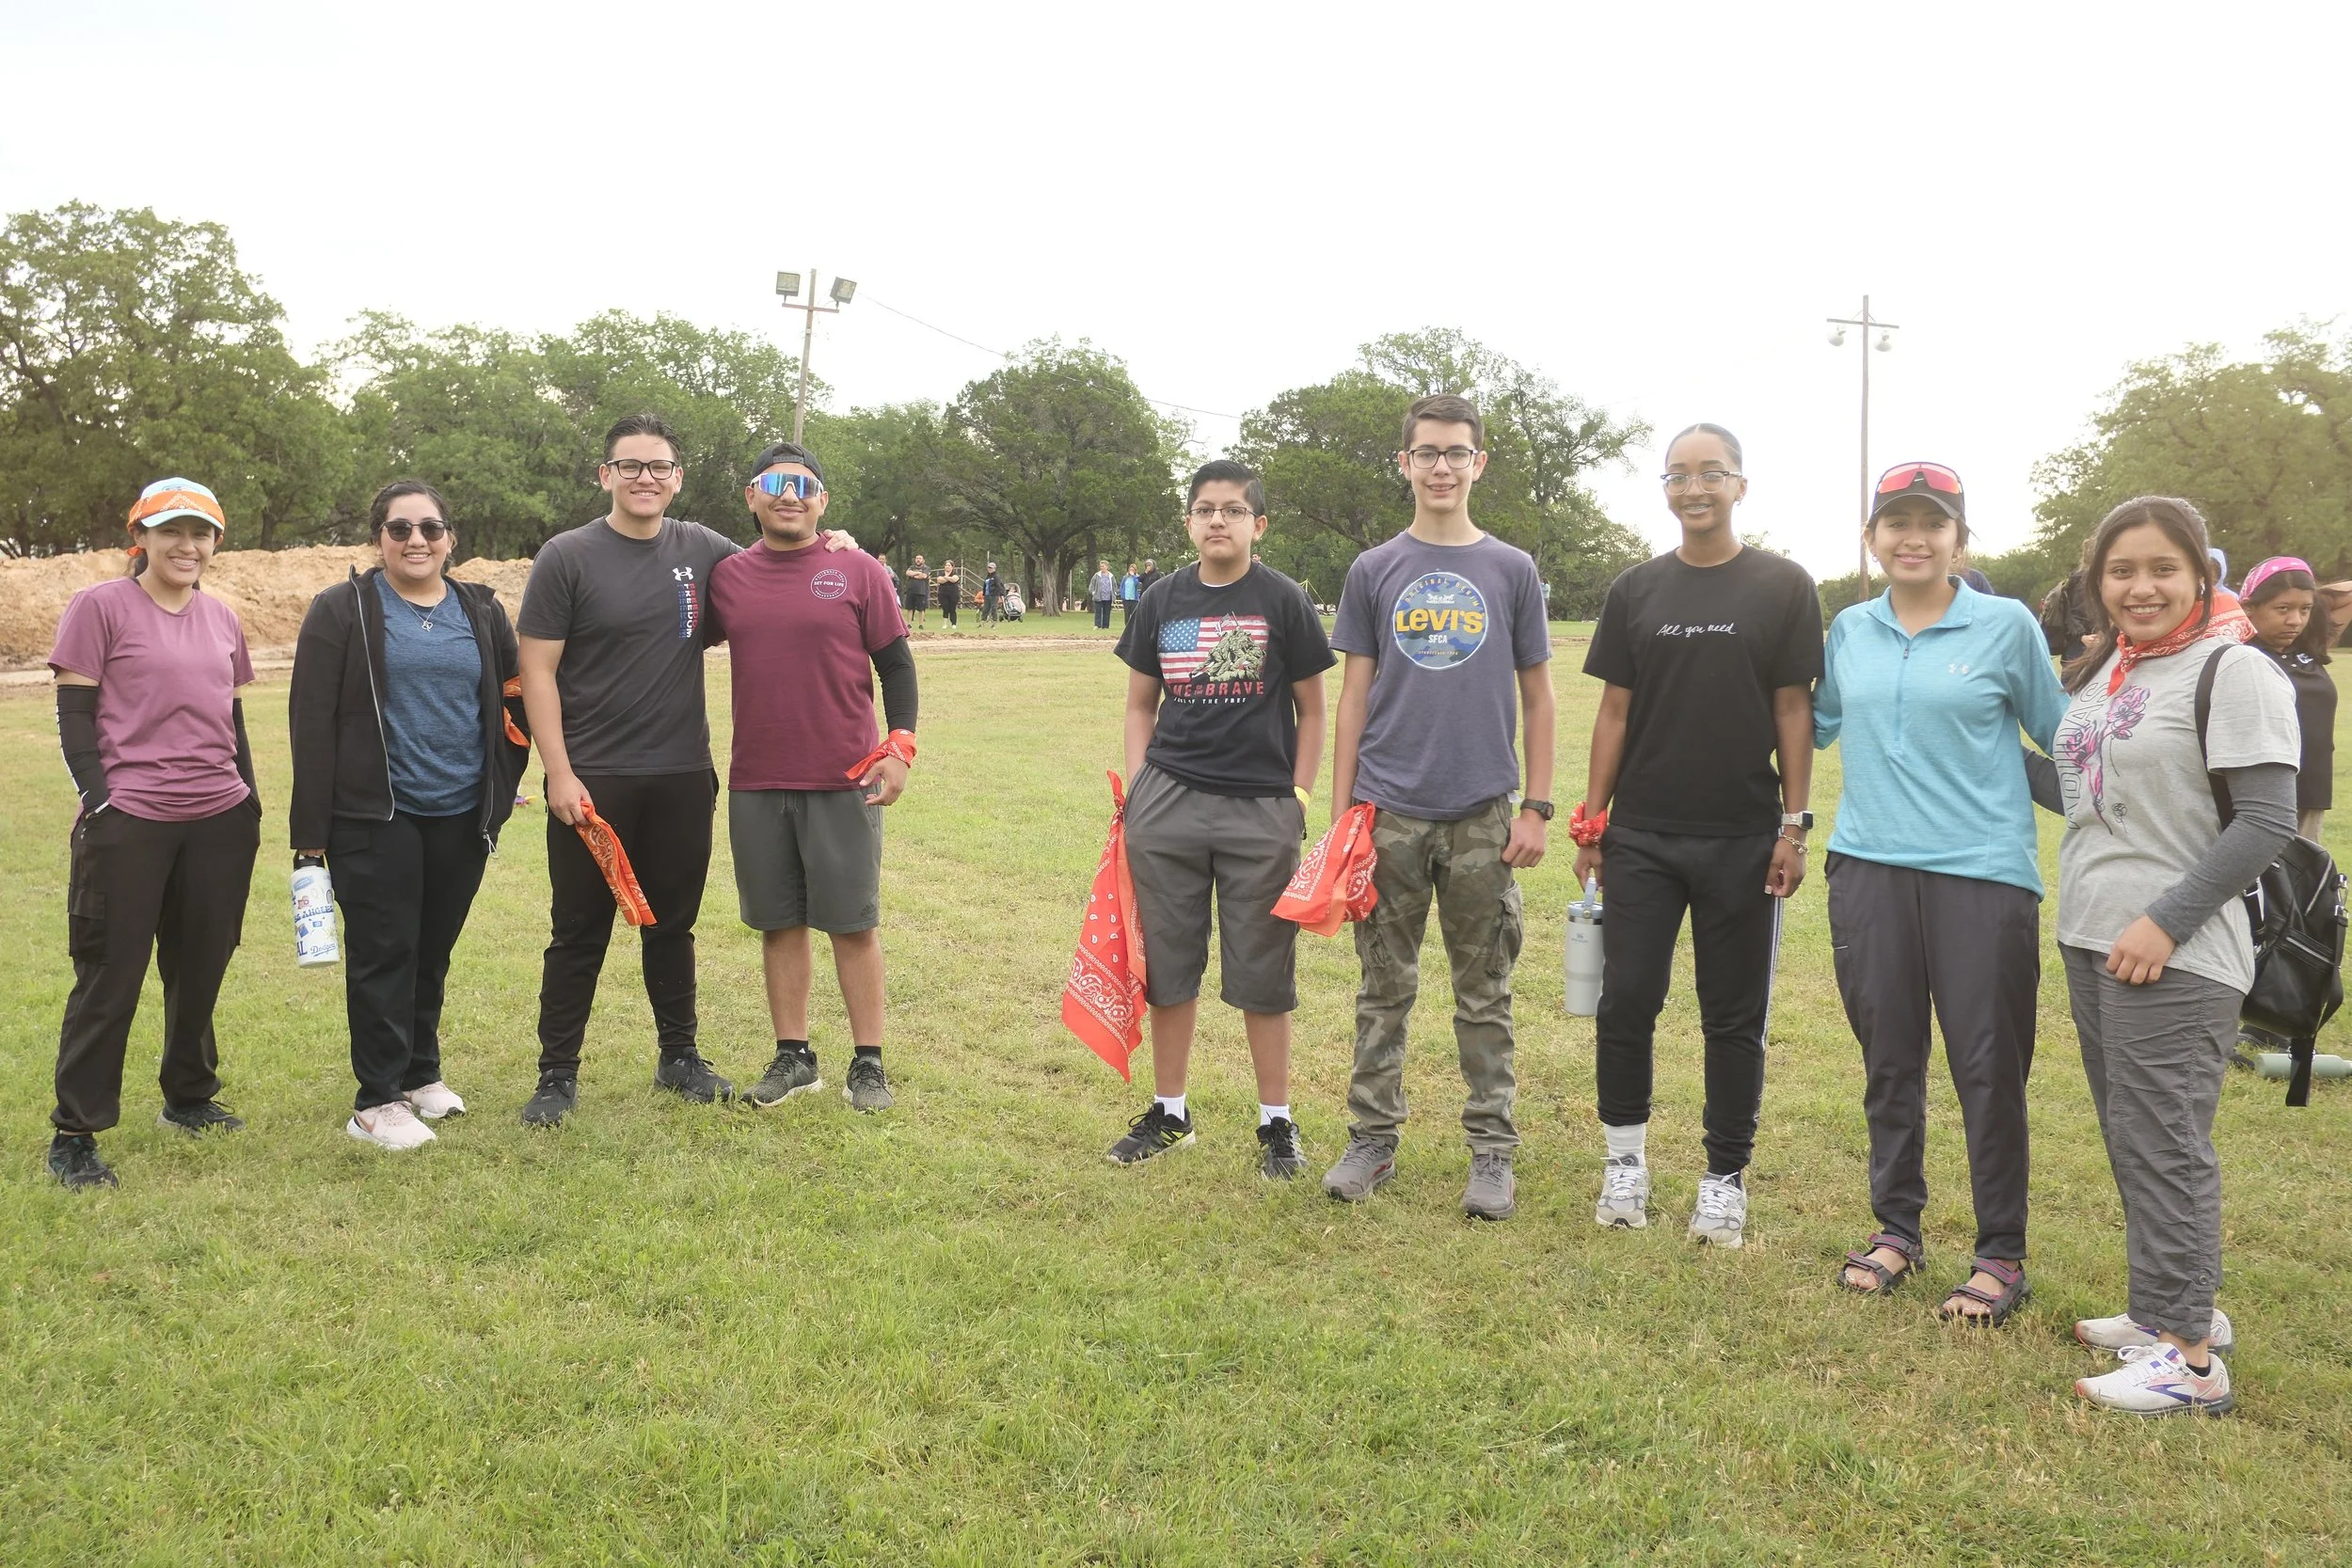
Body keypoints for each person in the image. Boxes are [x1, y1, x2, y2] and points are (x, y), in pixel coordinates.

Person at [2051, 497, 2294, 1417]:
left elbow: (2266, 819)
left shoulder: (2234, 667)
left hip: (2176, 949)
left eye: (2162, 568)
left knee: (2165, 1142)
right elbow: (2089, 793)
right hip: (2093, 932)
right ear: (2098, 581)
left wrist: (2166, 920)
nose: (2141, 586)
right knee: (2133, 1134)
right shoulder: (2112, 666)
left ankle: (2189, 1360)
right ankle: (2164, 1306)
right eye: (2121, 570)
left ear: (2200, 573)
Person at [1814, 463, 2067, 1320]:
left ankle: (2000, 1252)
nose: (1914, 538)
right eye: (1897, 523)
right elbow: (1811, 722)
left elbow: (2063, 735)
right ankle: (1897, 1229)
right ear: (1872, 537)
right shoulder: (1850, 629)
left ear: (1960, 538)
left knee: (1988, 1068)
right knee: (1889, 1060)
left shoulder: (2005, 624)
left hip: (1982, 876)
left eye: (1933, 523)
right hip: (1867, 868)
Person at [1573, 423, 1821, 1247]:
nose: (1694, 487)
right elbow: (1614, 711)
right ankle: (1625, 1164)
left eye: (1712, 473)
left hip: (1743, 837)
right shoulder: (1637, 589)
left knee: (1732, 1016)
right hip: (1644, 835)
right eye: (1678, 475)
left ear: (1740, 485)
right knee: (1627, 1001)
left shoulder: (1784, 586)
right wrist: (1594, 821)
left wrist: (1792, 825)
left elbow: (1793, 708)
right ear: (1666, 490)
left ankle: (1724, 1179)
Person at [1322, 394, 1554, 1221]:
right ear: (1406, 464)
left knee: (1484, 989)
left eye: (1457, 452)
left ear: (1478, 463)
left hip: (1483, 813)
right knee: (1382, 988)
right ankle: (1371, 1139)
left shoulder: (1512, 569)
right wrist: (1346, 817)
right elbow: (1353, 698)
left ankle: (1492, 1151)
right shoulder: (1374, 568)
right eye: (1427, 453)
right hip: (1389, 811)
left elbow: (1540, 695)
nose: (1442, 467)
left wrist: (1537, 806)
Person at [1104, 460, 1333, 1179]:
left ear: (1257, 524)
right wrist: (1140, 789)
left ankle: (1276, 1122)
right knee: (1170, 968)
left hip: (1259, 808)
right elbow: (1140, 705)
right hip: (1168, 804)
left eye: (1233, 510)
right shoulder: (1162, 599)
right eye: (1205, 508)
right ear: (1189, 521)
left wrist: (1298, 796)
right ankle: (1170, 1112)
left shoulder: (1284, 599)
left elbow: (1313, 711)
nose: (1217, 521)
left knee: (1264, 971)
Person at [289, 481, 532, 1150]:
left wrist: (501, 783)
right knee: (384, 951)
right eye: (400, 529)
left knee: (431, 949)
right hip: (375, 814)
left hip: (460, 813)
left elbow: (515, 700)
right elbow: (310, 722)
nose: (416, 540)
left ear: (450, 538)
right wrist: (310, 836)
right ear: (379, 540)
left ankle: (421, 1074)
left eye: (430, 528)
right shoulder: (343, 609)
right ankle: (375, 1100)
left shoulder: (481, 609)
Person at [515, 416, 740, 1125]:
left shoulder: (703, 548)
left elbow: (778, 569)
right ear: (605, 475)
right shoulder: (567, 556)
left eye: (659, 466)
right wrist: (558, 772)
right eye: (631, 465)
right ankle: (556, 1075)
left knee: (672, 924)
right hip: (593, 779)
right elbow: (536, 671)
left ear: (678, 478)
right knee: (578, 929)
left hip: (682, 773)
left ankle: (680, 1057)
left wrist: (835, 544)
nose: (646, 477)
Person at [45, 478, 261, 1189]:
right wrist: (100, 800)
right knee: (111, 975)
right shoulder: (100, 606)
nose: (186, 545)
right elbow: (75, 716)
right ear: (140, 537)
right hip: (130, 821)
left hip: (218, 818)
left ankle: (188, 1097)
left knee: (200, 966)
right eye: (171, 531)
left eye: (201, 533)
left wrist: (249, 801)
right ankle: (77, 1132)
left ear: (215, 543)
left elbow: (231, 719)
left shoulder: (222, 618)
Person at [710, 442, 916, 1115]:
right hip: (757, 778)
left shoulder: (857, 569)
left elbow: (896, 665)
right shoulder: (727, 576)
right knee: (779, 923)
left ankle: (869, 1062)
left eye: (803, 486)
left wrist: (900, 747)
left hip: (843, 776)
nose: (788, 496)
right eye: (774, 483)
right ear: (751, 495)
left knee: (852, 923)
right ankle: (794, 1056)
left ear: (822, 501)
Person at [2238, 556, 2334, 839]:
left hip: (2311, 791)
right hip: (2260, 802)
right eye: (2282, 608)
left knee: (2304, 868)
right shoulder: (2236, 655)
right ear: (2249, 608)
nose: (2295, 621)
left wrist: (2297, 572)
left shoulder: (2307, 648)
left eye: (2305, 609)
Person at [903, 554, 930, 630]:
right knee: (909, 608)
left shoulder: (926, 568)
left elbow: (924, 576)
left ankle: (920, 624)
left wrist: (913, 575)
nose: (918, 560)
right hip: (911, 590)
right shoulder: (912, 567)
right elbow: (907, 573)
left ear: (923, 560)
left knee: (921, 609)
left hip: (921, 591)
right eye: (917, 558)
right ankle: (909, 624)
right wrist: (918, 573)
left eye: (920, 558)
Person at [1090, 560, 1118, 630]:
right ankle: (1097, 625)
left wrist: (1114, 593)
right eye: (1101, 566)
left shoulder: (1111, 576)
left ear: (1107, 567)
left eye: (1103, 566)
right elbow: (1092, 584)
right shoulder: (1097, 575)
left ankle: (1105, 626)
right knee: (1098, 611)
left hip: (1108, 597)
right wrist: (1093, 592)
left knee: (1107, 612)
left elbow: (1114, 585)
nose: (1101, 568)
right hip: (1099, 596)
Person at [937, 559, 961, 628]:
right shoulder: (941, 573)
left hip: (953, 594)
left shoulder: (955, 573)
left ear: (952, 567)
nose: (947, 566)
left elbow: (954, 580)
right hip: (943, 594)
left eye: (949, 565)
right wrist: (949, 578)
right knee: (945, 608)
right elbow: (939, 580)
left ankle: (953, 624)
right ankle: (945, 624)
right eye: (946, 565)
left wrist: (945, 578)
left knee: (952, 609)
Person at [981, 562, 1005, 626]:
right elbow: (985, 586)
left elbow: (999, 586)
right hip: (987, 595)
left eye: (991, 568)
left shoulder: (996, 576)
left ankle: (994, 622)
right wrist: (984, 594)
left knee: (994, 608)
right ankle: (982, 622)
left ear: (994, 568)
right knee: (985, 609)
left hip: (994, 595)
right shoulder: (987, 577)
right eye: (988, 567)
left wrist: (999, 594)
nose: (989, 569)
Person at [1120, 562, 1141, 626]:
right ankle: (1127, 626)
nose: (1131, 571)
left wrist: (1133, 576)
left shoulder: (1137, 577)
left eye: (1133, 570)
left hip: (1134, 599)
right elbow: (1122, 586)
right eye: (1130, 569)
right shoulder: (1125, 577)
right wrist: (1122, 595)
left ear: (1135, 570)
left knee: (1134, 614)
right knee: (1126, 614)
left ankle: (1133, 626)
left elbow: (1136, 584)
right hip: (1126, 598)